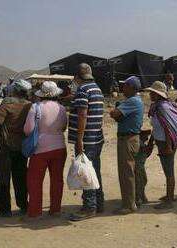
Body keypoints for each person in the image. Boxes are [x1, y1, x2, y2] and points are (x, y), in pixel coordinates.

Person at [24, 81, 67, 219]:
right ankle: (55, 209)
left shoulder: (35, 107)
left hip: (40, 149)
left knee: (35, 180)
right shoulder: (62, 108)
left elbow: (28, 130)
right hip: (59, 147)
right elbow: (64, 127)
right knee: (57, 180)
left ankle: (35, 211)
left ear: (41, 93)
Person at [0, 79, 32, 217]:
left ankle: (4, 210)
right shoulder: (30, 106)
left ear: (14, 90)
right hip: (22, 147)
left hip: (5, 146)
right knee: (20, 178)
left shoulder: (6, 105)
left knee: (2, 178)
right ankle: (23, 205)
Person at [68, 63, 105, 221]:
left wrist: (80, 139)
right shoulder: (96, 88)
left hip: (87, 139)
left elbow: (83, 115)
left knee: (85, 173)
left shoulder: (83, 90)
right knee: (94, 171)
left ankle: (89, 207)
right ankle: (99, 202)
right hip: (97, 137)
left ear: (77, 77)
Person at [145, 81, 177, 209]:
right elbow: (157, 127)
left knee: (169, 171)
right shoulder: (158, 106)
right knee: (167, 169)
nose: (150, 94)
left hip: (166, 143)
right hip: (162, 141)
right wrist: (152, 141)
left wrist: (168, 146)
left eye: (152, 92)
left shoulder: (162, 107)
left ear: (157, 94)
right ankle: (170, 195)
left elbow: (168, 127)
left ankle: (169, 199)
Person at [110, 76, 144, 215]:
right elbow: (118, 116)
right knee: (133, 171)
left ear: (131, 87)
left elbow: (115, 114)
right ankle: (136, 199)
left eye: (125, 86)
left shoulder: (132, 101)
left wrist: (115, 111)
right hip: (132, 138)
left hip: (127, 139)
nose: (122, 88)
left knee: (126, 173)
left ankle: (129, 205)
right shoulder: (136, 101)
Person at [135, 129, 152, 207]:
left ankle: (141, 196)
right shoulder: (140, 144)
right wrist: (151, 143)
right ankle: (138, 198)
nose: (147, 137)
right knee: (140, 182)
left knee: (143, 181)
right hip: (138, 166)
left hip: (140, 166)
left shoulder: (142, 143)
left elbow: (146, 154)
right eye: (145, 135)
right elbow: (147, 152)